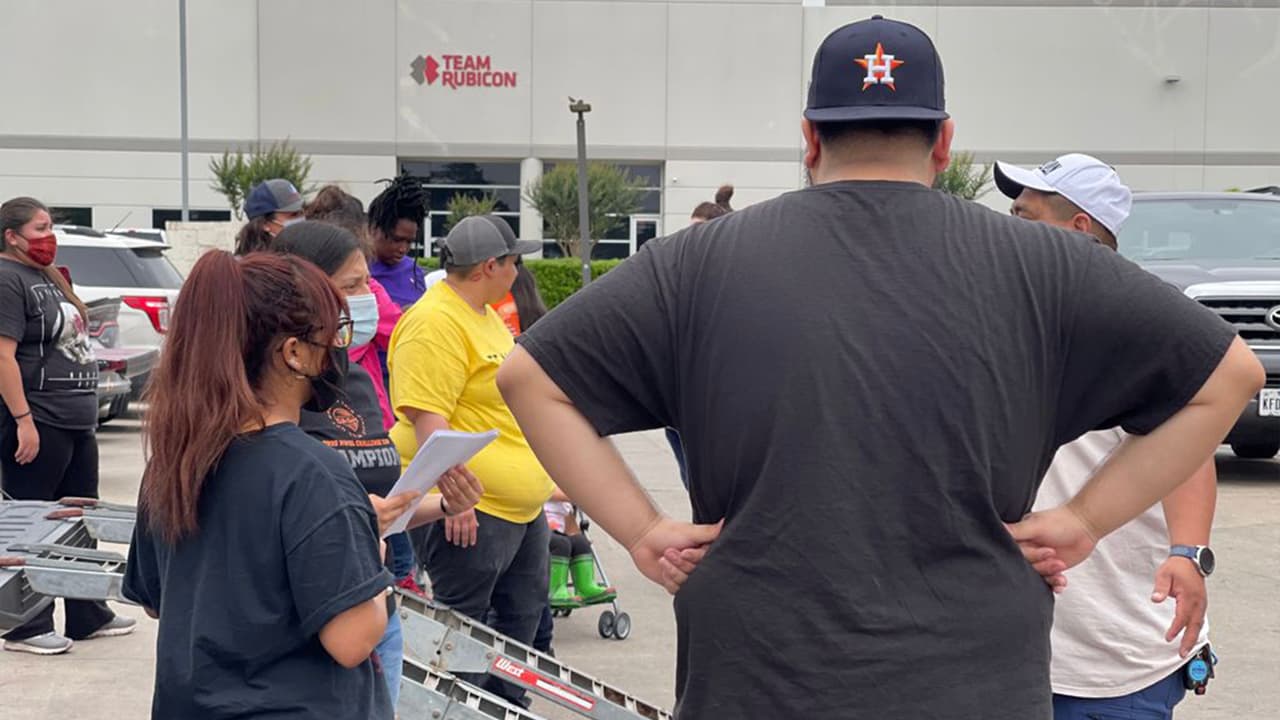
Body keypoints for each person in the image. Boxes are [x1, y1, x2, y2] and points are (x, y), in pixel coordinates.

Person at [495, 15, 1263, 719]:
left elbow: (528, 379)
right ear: (944, 142)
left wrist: (642, 531)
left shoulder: (696, 264)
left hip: (757, 676)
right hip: (976, 680)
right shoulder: (1046, 266)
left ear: (809, 137)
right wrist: (1085, 522)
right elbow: (1231, 376)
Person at [122, 250, 395, 718]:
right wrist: (372, 561)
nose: (339, 349)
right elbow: (352, 640)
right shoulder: (314, 474)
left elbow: (158, 600)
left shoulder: (176, 459)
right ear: (293, 352)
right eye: (335, 333)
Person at [995, 154, 1217, 719]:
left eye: (1025, 217)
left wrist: (1189, 554)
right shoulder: (1002, 317)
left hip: (1116, 654)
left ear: (1078, 229)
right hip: (1011, 646)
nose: (1007, 230)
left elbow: (1191, 449)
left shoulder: (1140, 327)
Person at [270, 221, 483, 706]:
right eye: (353, 286)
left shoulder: (357, 381)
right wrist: (358, 520)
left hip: (377, 609)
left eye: (368, 282)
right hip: (318, 624)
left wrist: (443, 505)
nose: (370, 297)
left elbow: (382, 506)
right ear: (306, 295)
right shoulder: (277, 401)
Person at [387, 215, 552, 706]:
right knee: (464, 633)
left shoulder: (482, 315)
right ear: (488, 267)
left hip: (516, 509)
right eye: (513, 261)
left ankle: (508, 709)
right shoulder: (433, 322)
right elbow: (429, 419)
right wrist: (454, 497)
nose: (518, 271)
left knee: (520, 623)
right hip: (473, 509)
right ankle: (457, 712)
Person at [0, 196, 136, 655]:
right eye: (39, 229)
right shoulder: (6, 279)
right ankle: (27, 625)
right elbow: (3, 357)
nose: (49, 237)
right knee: (33, 521)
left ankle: (87, 612)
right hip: (40, 418)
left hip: (76, 418)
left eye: (50, 227)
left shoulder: (47, 276)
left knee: (79, 519)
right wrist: (23, 420)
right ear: (12, 237)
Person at [305, 185, 403, 430]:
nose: (366, 294)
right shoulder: (374, 291)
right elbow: (398, 332)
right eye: (351, 286)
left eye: (366, 282)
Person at [664, 186, 738, 492]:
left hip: (717, 408)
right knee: (694, 485)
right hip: (681, 407)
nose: (690, 239)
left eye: (699, 231)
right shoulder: (680, 276)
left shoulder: (734, 282)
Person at [368, 174, 429, 309]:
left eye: (409, 242)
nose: (403, 249)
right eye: (396, 240)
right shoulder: (357, 272)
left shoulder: (414, 272)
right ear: (373, 228)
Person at [234, 178, 305, 255]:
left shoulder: (305, 253)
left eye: (302, 212)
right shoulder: (249, 262)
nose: (302, 219)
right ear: (265, 224)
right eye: (294, 215)